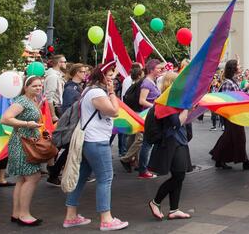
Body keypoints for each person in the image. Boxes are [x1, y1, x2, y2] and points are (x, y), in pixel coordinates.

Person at [63, 61, 129, 231]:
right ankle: (106, 219)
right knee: (105, 178)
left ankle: (71, 216)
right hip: (96, 141)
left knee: (82, 176)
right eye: (110, 75)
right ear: (102, 76)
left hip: (90, 140)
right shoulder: (97, 92)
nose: (112, 79)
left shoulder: (89, 90)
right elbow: (114, 111)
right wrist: (112, 93)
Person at [147, 71, 193, 221]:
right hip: (172, 143)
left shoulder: (175, 101)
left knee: (178, 176)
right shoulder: (166, 102)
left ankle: (174, 209)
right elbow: (176, 123)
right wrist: (186, 107)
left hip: (179, 142)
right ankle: (155, 202)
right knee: (179, 175)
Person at [0, 76, 45, 226]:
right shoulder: (22, 101)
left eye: (40, 86)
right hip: (22, 143)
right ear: (26, 87)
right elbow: (5, 118)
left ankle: (17, 213)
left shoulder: (31, 100)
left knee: (23, 178)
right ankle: (24, 214)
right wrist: (27, 124)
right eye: (34, 86)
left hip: (27, 142)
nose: (38, 88)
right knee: (33, 177)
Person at [210, 60, 249, 170]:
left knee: (229, 137)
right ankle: (244, 162)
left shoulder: (232, 81)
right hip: (232, 115)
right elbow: (227, 99)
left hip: (235, 114)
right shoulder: (228, 82)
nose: (240, 67)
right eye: (238, 66)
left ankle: (218, 158)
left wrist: (245, 88)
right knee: (238, 138)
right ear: (234, 68)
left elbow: (236, 94)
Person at [47, 63, 88, 186]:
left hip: (74, 123)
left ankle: (55, 171)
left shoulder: (76, 87)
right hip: (73, 124)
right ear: (77, 73)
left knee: (70, 149)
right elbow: (69, 109)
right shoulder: (71, 89)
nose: (85, 74)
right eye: (83, 71)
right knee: (70, 149)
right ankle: (54, 172)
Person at [121, 59, 163, 178]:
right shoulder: (147, 83)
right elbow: (142, 101)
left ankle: (139, 165)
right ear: (151, 70)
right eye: (158, 68)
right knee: (145, 142)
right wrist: (155, 106)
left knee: (144, 141)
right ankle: (140, 167)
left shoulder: (151, 81)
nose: (160, 70)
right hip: (147, 116)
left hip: (149, 115)